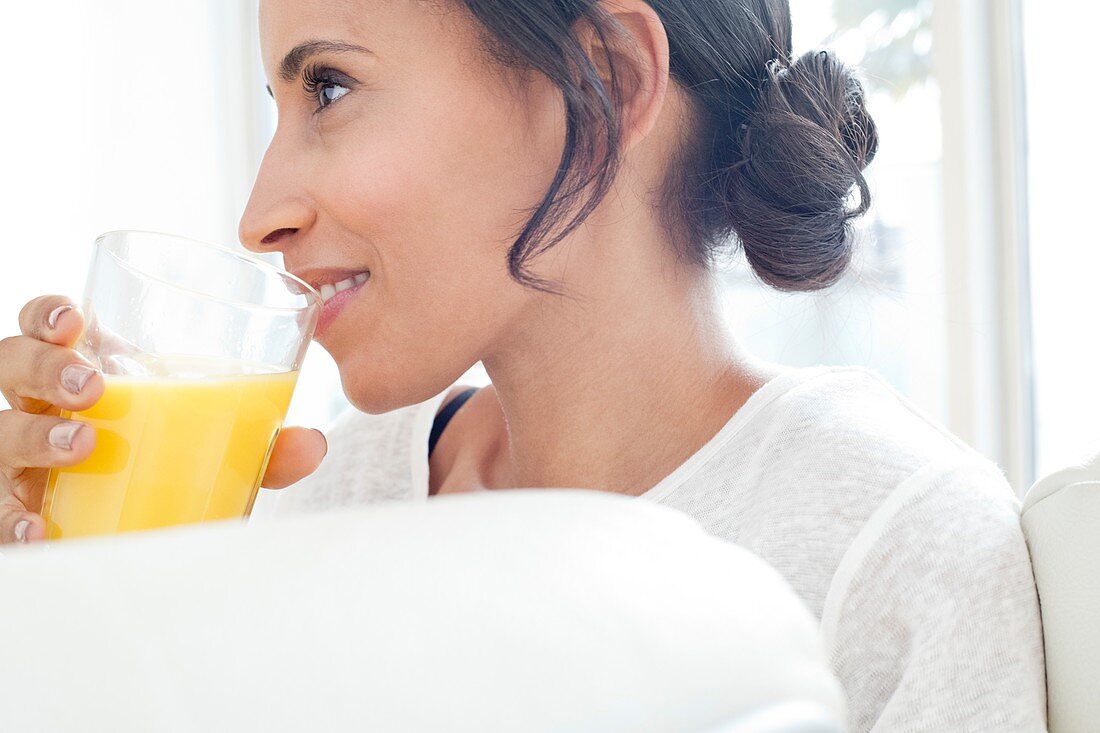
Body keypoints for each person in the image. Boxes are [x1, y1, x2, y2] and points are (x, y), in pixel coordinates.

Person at [0, 0, 1046, 729]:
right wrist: (90, 626)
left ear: (607, 79)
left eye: (328, 85)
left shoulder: (891, 541)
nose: (260, 212)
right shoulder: (308, 506)